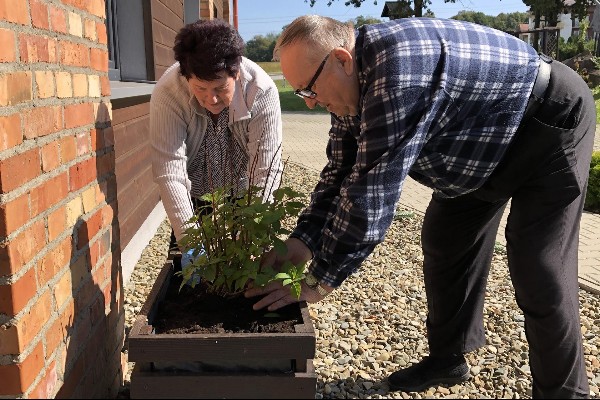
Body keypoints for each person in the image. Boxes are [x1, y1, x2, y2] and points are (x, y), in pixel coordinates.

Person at [244, 15, 595, 398]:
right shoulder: (353, 84)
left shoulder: (398, 70)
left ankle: (566, 393)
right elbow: (341, 170)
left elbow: (371, 191)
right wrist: (303, 242)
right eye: (301, 94)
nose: (310, 104)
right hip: (480, 148)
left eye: (309, 89)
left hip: (547, 123)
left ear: (342, 59)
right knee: (445, 239)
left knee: (539, 267)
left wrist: (319, 279)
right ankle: (448, 361)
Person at [150, 19, 283, 262]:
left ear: (237, 72)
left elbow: (266, 170)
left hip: (242, 185)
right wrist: (190, 240)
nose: (211, 100)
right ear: (185, 76)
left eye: (220, 88)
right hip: (194, 188)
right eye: (200, 88)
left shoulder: (261, 91)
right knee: (185, 262)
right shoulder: (168, 93)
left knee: (245, 257)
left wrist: (251, 233)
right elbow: (170, 173)